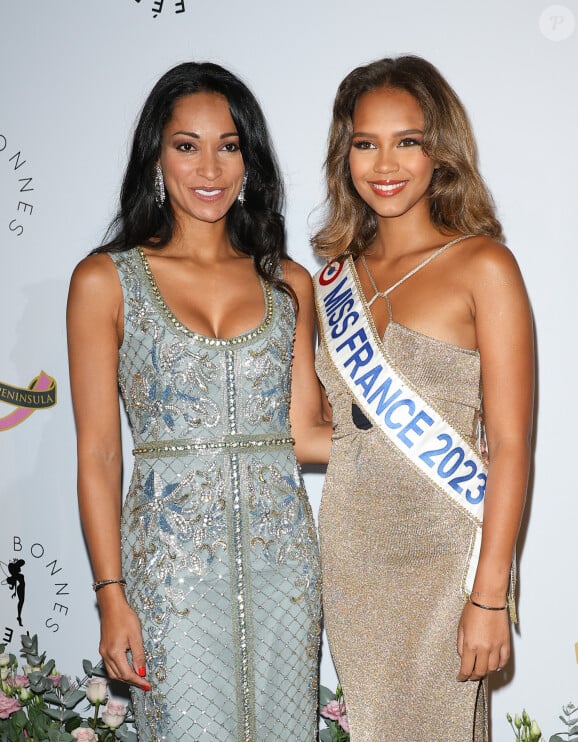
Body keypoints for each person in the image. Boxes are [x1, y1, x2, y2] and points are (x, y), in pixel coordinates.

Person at [67, 61, 330, 742]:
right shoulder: (106, 280)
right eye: (187, 145)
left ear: (250, 158)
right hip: (170, 571)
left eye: (229, 145)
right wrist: (110, 594)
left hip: (284, 570)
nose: (209, 168)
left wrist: (424, 437)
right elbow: (98, 453)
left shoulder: (288, 281)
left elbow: (307, 434)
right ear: (157, 155)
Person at [312, 55, 534, 742]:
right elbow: (342, 433)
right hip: (352, 555)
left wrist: (489, 594)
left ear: (439, 150)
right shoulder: (332, 280)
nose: (386, 162)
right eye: (365, 142)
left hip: (446, 561)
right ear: (344, 154)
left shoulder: (483, 266)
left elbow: (515, 445)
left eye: (407, 140)